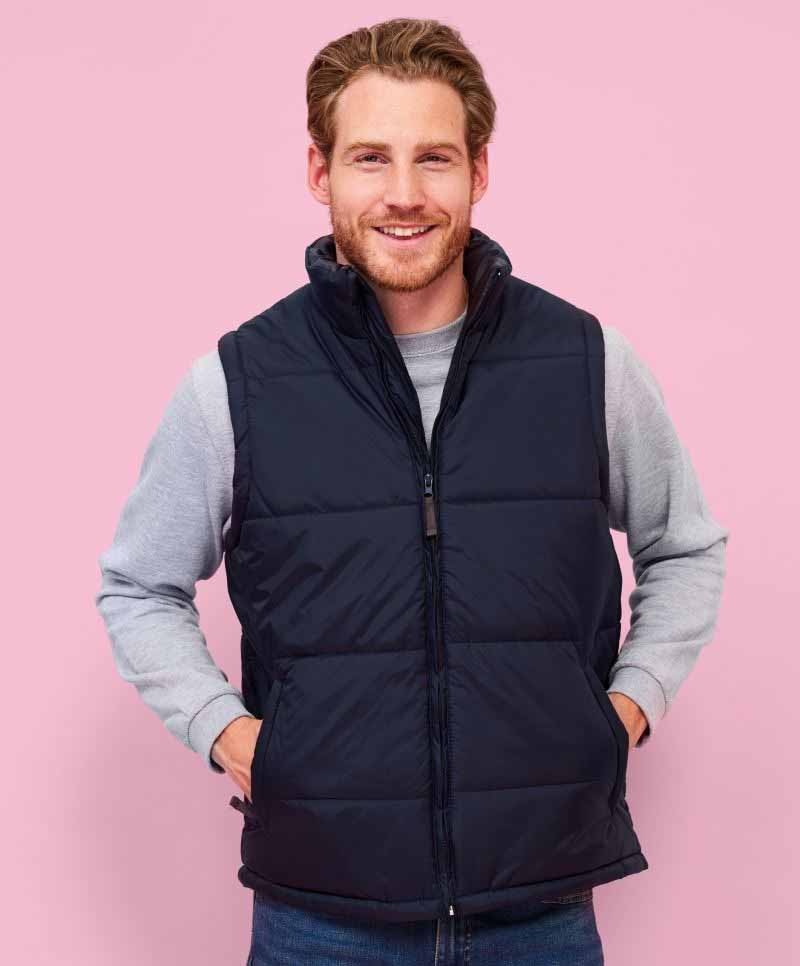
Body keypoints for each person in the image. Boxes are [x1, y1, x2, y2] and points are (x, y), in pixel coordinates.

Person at [95, 17, 730, 965]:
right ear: (321, 173)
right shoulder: (236, 384)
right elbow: (138, 585)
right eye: (370, 158)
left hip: (541, 912)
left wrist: (623, 711)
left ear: (480, 171)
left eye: (434, 158)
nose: (403, 194)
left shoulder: (587, 362)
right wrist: (231, 735)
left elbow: (685, 546)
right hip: (319, 918)